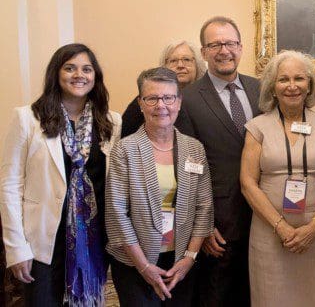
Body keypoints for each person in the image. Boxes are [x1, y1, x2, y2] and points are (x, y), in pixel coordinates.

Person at [0, 43, 121, 306]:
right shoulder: (27, 118)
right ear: (56, 73)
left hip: (93, 241)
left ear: (95, 77)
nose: (79, 75)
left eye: (87, 69)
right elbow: (10, 185)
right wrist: (15, 247)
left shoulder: (112, 122)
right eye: (70, 68)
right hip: (43, 243)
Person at [105, 67, 213, 306]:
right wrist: (143, 267)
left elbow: (204, 207)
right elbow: (116, 212)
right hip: (134, 264)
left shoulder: (194, 149)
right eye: (152, 98)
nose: (161, 105)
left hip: (180, 263)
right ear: (140, 103)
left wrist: (189, 259)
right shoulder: (125, 150)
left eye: (168, 97)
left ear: (179, 102)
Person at [239, 50, 315, 306]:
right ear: (272, 87)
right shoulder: (257, 127)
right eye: (283, 80)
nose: (291, 86)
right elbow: (248, 183)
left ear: (310, 85)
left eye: (299, 79)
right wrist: (280, 227)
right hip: (269, 237)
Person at [175, 16, 260, 306]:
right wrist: (204, 224)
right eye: (215, 44)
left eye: (230, 43)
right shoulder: (186, 99)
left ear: (241, 47)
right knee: (217, 297)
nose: (224, 50)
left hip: (263, 218)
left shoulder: (262, 90)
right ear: (204, 52)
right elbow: (187, 169)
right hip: (219, 226)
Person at [121, 41, 206, 138]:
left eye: (186, 59)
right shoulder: (148, 100)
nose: (180, 65)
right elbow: (126, 137)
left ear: (197, 65)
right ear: (164, 67)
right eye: (173, 61)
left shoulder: (207, 98)